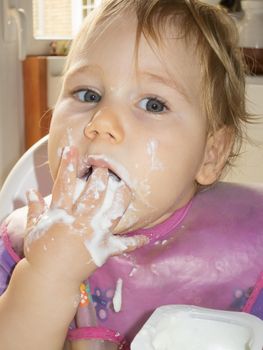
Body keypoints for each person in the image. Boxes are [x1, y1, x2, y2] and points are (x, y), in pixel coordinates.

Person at [1, 0, 263, 349]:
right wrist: (45, 277)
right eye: (88, 94)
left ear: (210, 153)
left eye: (153, 104)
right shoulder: (21, 245)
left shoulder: (249, 247)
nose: (102, 123)